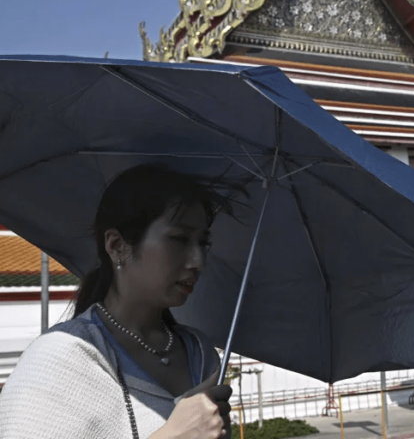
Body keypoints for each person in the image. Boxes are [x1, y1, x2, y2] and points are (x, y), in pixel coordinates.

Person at [0, 164, 239, 438]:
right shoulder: (60, 359)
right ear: (116, 246)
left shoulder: (200, 353)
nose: (199, 262)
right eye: (179, 239)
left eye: (203, 243)